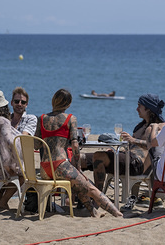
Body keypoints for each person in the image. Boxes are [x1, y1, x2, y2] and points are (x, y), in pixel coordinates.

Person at [34, 88, 122, 217]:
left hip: (45, 169)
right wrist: (78, 167)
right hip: (60, 165)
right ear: (68, 104)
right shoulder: (70, 118)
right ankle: (117, 214)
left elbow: (36, 144)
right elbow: (75, 144)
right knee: (90, 188)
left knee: (78, 184)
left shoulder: (41, 118)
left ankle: (93, 212)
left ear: (53, 101)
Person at [82, 94, 165, 208]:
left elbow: (156, 146)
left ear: (148, 109)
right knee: (81, 158)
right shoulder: (139, 126)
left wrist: (133, 140)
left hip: (138, 165)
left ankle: (98, 200)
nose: (136, 109)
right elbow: (131, 146)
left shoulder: (159, 127)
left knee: (99, 156)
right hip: (127, 158)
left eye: (139, 106)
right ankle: (77, 196)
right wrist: (116, 150)